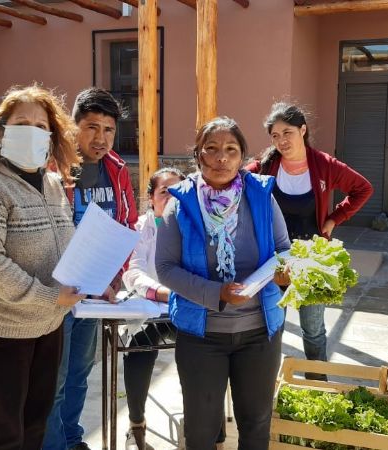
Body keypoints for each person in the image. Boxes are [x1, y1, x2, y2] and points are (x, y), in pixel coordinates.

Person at [0, 84, 85, 449]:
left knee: (34, 427)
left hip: (46, 327)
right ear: (2, 129)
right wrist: (49, 297)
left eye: (42, 125)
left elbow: (65, 242)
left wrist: (91, 276)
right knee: (3, 435)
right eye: (22, 122)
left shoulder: (53, 183)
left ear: (52, 135)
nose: (33, 131)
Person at [156, 117, 292, 450]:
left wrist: (284, 272)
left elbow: (285, 250)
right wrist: (216, 293)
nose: (221, 158)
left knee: (256, 423)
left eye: (231, 150)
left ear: (242, 157)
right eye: (212, 149)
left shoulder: (261, 197)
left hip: (259, 333)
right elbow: (165, 268)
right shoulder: (181, 204)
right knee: (202, 431)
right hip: (202, 337)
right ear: (198, 156)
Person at [246, 102, 373, 376]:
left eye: (287, 132)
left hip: (310, 262)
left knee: (313, 330)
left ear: (302, 130)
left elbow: (363, 188)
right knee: (270, 326)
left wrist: (334, 218)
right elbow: (235, 182)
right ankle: (265, 384)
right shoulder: (265, 167)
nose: (281, 140)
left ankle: (317, 387)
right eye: (275, 136)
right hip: (273, 261)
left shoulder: (324, 165)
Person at [44, 87, 139, 450]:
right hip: (55, 291)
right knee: (55, 377)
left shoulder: (116, 169)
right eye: (91, 127)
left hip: (95, 288)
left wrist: (112, 277)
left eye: (109, 130)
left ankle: (72, 438)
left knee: (80, 373)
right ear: (73, 126)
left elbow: (127, 224)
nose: (100, 138)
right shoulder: (52, 166)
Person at [121, 167, 184, 450]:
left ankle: (202, 425)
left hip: (187, 310)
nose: (172, 200)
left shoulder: (195, 227)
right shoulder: (140, 229)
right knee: (137, 350)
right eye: (164, 193)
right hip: (152, 311)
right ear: (151, 198)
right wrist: (161, 293)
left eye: (178, 193)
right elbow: (132, 272)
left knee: (205, 352)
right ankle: (137, 426)